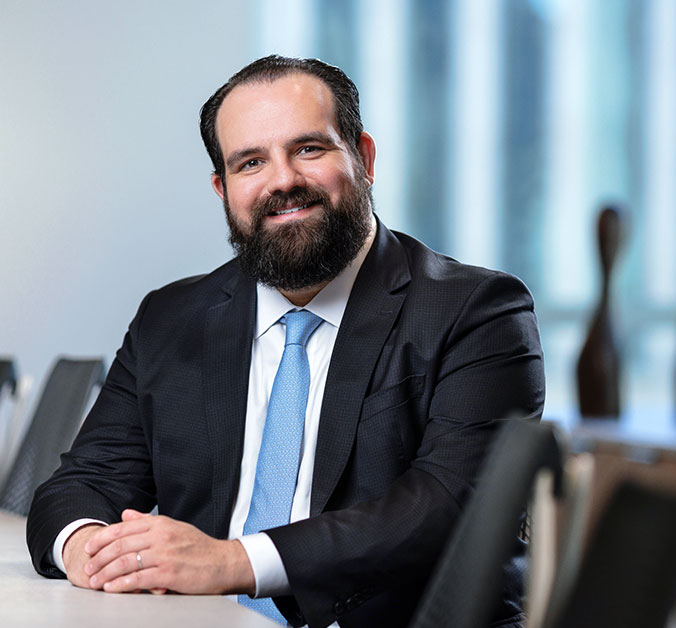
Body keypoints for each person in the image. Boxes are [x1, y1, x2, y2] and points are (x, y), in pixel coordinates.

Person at [27, 55, 545, 628]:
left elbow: (450, 504)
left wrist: (232, 562)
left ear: (364, 158)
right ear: (223, 189)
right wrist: (89, 549)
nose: (283, 180)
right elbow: (82, 483)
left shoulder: (477, 311)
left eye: (309, 149)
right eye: (251, 162)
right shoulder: (170, 318)